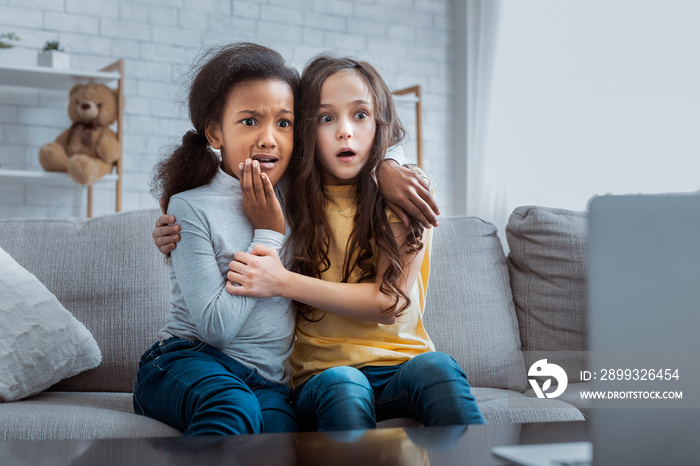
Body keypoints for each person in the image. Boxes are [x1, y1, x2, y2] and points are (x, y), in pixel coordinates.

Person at [225, 55, 485, 431]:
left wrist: (388, 165)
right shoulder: (287, 196)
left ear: (379, 124)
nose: (345, 131)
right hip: (322, 376)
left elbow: (388, 303)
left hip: (403, 367)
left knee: (439, 367)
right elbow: (218, 182)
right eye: (326, 118)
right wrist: (172, 220)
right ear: (304, 131)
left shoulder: (405, 192)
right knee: (345, 383)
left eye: (360, 115)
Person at [132, 42, 302, 436]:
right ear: (215, 131)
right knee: (232, 405)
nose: (268, 138)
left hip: (268, 382)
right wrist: (268, 236)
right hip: (186, 361)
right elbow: (215, 328)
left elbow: (354, 161)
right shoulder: (191, 207)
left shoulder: (300, 198)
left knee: (284, 436)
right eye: (249, 121)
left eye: (283, 123)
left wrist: (391, 168)